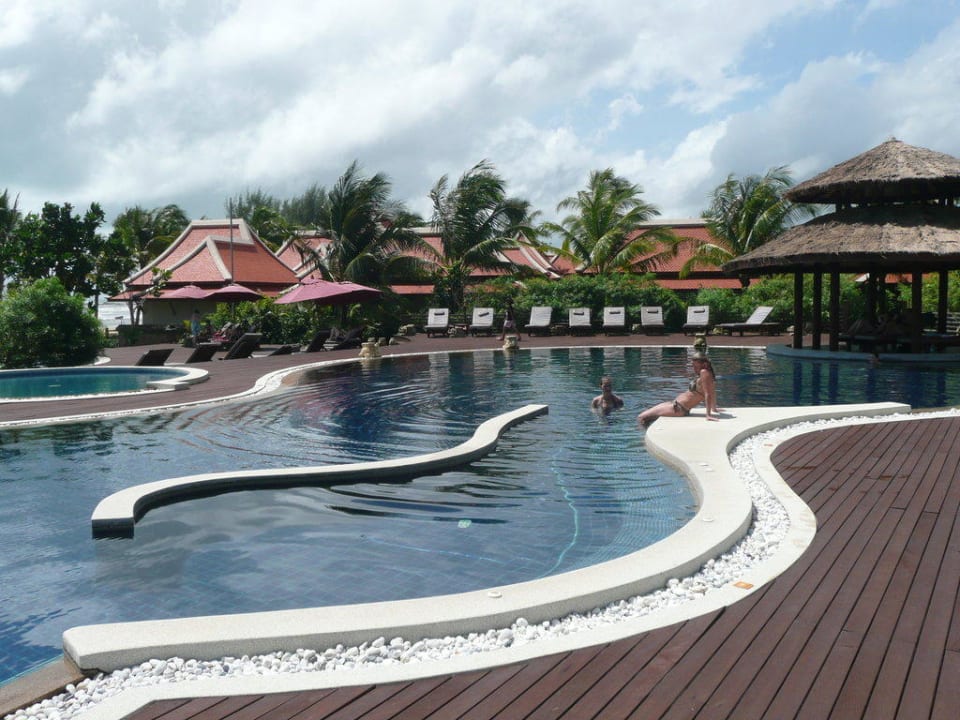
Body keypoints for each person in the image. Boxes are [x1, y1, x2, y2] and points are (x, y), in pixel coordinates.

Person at [638, 351, 720, 427]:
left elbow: (708, 394)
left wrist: (708, 415)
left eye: (695, 366)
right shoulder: (708, 374)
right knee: (646, 418)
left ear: (704, 364)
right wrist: (714, 408)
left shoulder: (704, 372)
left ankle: (641, 439)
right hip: (676, 405)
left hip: (679, 408)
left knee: (641, 417)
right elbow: (712, 391)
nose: (694, 368)